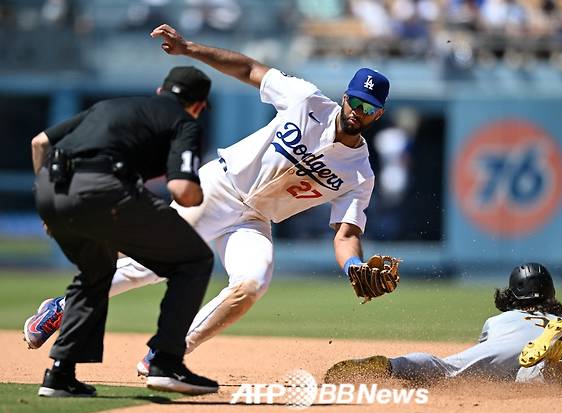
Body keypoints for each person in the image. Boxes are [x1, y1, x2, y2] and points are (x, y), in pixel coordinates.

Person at [24, 23, 393, 376]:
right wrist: (188, 49)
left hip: (254, 219)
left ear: (378, 114)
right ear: (345, 97)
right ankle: (61, 307)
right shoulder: (306, 100)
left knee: (252, 282)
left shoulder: (360, 174)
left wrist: (353, 268)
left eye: (368, 109)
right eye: (356, 103)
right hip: (219, 187)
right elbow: (250, 68)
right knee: (150, 266)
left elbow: (345, 235)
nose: (357, 114)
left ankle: (167, 353)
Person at [30, 66, 219, 397]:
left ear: (161, 91)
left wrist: (52, 202)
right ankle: (166, 361)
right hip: (104, 188)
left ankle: (60, 375)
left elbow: (40, 142)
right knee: (195, 259)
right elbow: (182, 190)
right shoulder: (185, 121)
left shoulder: (109, 106)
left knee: (96, 273)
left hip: (50, 190)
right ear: (199, 105)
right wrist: (200, 193)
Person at [324, 263, 562, 389]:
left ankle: (394, 366)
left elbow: (484, 369)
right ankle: (558, 356)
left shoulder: (498, 320)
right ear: (550, 293)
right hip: (557, 339)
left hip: (505, 346)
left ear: (512, 294)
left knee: (446, 369)